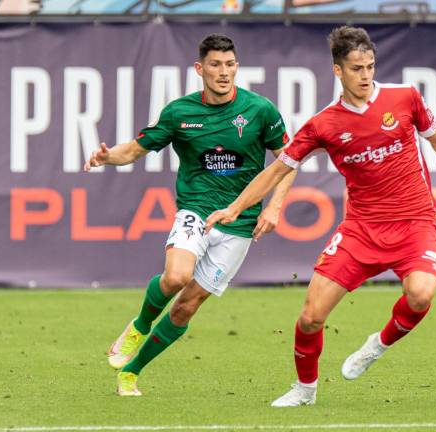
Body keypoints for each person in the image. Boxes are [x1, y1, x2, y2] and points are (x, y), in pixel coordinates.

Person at [205, 26, 436, 407]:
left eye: (370, 66)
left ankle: (376, 345)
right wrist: (235, 208)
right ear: (338, 71)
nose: (366, 75)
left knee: (420, 295)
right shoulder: (324, 124)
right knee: (310, 318)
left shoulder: (405, 98)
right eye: (356, 68)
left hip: (414, 223)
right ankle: (305, 390)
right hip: (360, 231)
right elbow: (277, 170)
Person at [83, 33, 295, 396]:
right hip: (196, 209)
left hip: (240, 223)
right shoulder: (179, 113)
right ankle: (140, 325)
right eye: (215, 64)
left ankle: (131, 373)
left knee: (186, 308)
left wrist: (274, 207)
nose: (223, 72)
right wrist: (107, 157)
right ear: (200, 68)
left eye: (229, 64)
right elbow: (134, 150)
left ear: (237, 66)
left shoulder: (260, 110)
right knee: (176, 276)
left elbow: (288, 161)